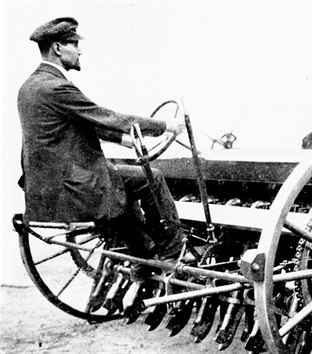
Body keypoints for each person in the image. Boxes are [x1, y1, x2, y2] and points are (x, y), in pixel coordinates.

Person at [17, 17, 191, 278]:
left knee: (120, 178)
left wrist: (123, 139)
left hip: (47, 187)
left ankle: (142, 255)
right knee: (150, 177)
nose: (80, 51)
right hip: (73, 188)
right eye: (75, 44)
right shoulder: (56, 87)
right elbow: (106, 116)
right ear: (57, 48)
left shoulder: (30, 86)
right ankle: (174, 250)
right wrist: (166, 125)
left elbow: (80, 122)